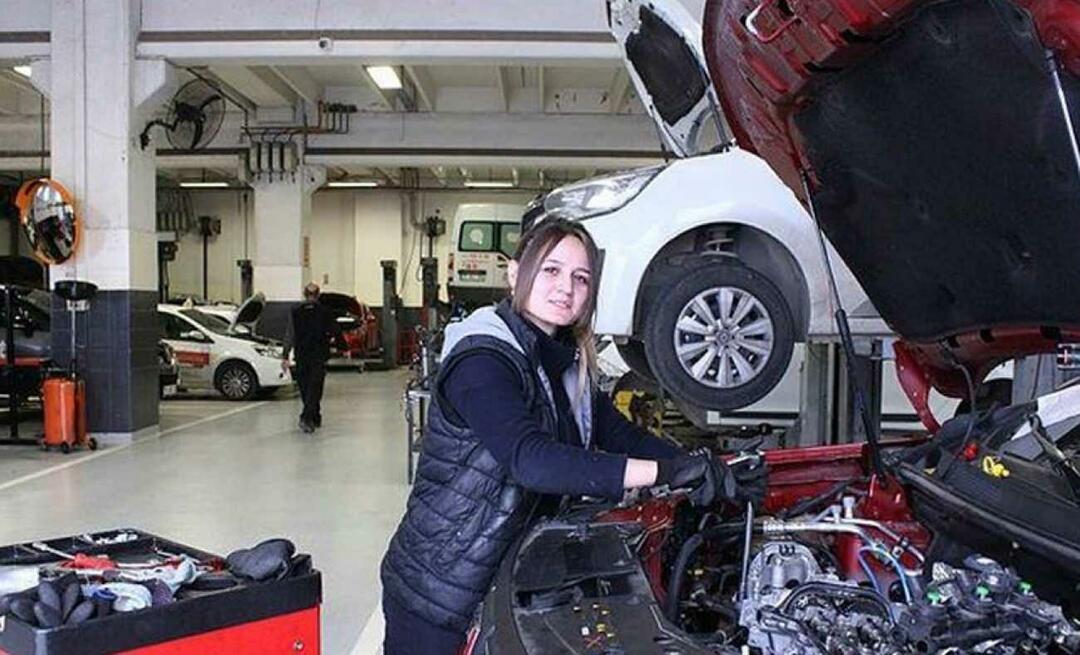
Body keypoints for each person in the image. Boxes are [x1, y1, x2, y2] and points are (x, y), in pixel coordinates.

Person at [379, 218, 768, 655]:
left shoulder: (563, 360)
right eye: (551, 270)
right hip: (441, 590)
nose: (566, 287)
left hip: (508, 569)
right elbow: (532, 460)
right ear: (514, 273)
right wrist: (668, 471)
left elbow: (614, 430)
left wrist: (702, 468)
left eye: (580, 278)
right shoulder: (482, 358)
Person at [282, 283, 343, 433]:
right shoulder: (325, 311)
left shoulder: (295, 311)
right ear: (318, 294)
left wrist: (285, 355)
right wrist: (343, 347)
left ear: (304, 294)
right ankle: (308, 417)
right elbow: (335, 330)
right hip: (319, 355)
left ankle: (313, 415)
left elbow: (290, 333)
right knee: (315, 387)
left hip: (301, 355)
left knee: (305, 387)